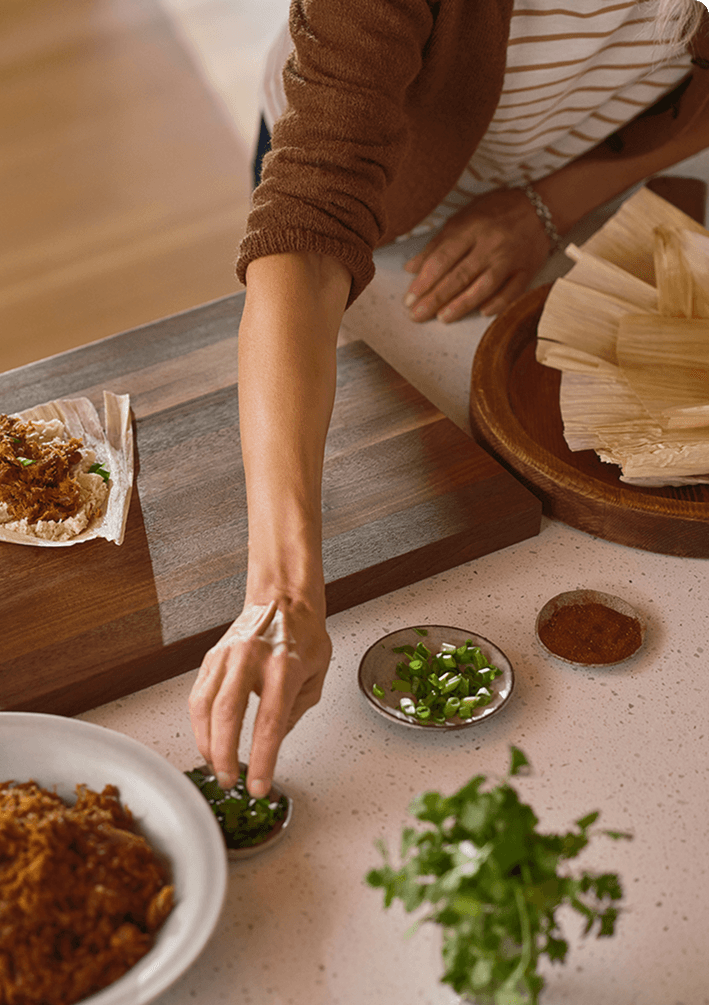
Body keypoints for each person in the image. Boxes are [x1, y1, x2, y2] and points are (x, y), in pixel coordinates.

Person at [188, 0, 709, 797]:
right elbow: (312, 222)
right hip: (380, 207)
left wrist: (552, 202)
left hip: (589, 171)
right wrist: (284, 592)